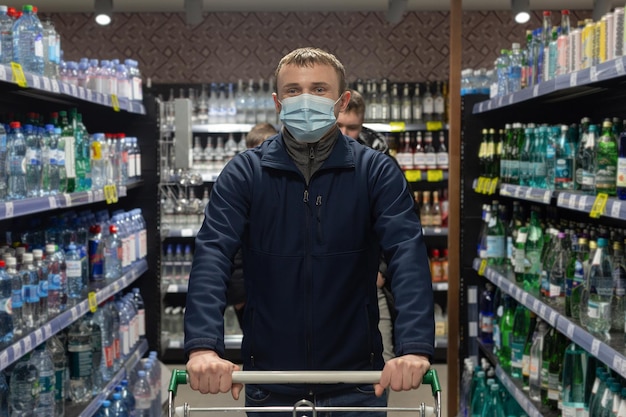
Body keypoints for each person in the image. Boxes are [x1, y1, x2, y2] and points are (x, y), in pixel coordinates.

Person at [184, 47, 434, 417]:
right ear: (277, 102)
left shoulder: (376, 172)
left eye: (319, 89)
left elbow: (407, 254)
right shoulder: (245, 174)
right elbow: (213, 254)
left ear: (341, 101)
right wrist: (203, 346)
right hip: (268, 380)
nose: (305, 99)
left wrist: (414, 347)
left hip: (357, 382)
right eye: (293, 90)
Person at [337, 89, 396, 363]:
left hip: (368, 277)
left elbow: (399, 224)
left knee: (378, 360)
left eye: (353, 128)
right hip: (327, 277)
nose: (346, 134)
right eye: (339, 126)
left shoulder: (381, 161)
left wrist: (382, 268)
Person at [228, 122, 279, 327]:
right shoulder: (241, 188)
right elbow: (232, 249)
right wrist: (240, 298)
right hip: (250, 295)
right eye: (254, 151)